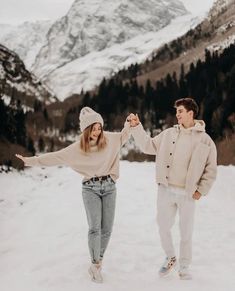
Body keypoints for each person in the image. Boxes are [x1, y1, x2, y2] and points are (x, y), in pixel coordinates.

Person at [16, 107, 130, 284]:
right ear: (86, 130)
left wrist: (130, 124)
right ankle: (95, 265)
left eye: (99, 127)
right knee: (95, 228)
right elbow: (54, 157)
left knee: (107, 229)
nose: (97, 132)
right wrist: (30, 161)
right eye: (93, 128)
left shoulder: (109, 139)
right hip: (90, 188)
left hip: (109, 187)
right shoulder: (76, 149)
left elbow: (123, 135)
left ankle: (97, 260)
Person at [127, 98, 217, 280]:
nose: (177, 115)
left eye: (180, 111)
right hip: (166, 189)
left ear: (191, 113)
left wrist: (202, 190)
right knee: (163, 226)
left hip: (188, 193)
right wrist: (136, 127)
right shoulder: (168, 134)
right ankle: (170, 257)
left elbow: (211, 169)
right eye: (177, 112)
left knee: (186, 232)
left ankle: (184, 267)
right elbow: (147, 146)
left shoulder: (205, 140)